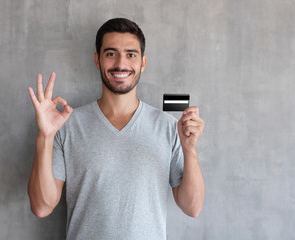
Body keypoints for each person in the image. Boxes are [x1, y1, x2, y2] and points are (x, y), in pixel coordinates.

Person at [27, 18, 205, 240]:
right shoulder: (67, 125)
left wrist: (190, 150)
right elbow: (42, 207)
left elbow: (192, 208)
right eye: (111, 53)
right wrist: (45, 136)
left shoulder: (169, 126)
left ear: (143, 62)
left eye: (131, 54)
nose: (121, 63)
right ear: (97, 60)